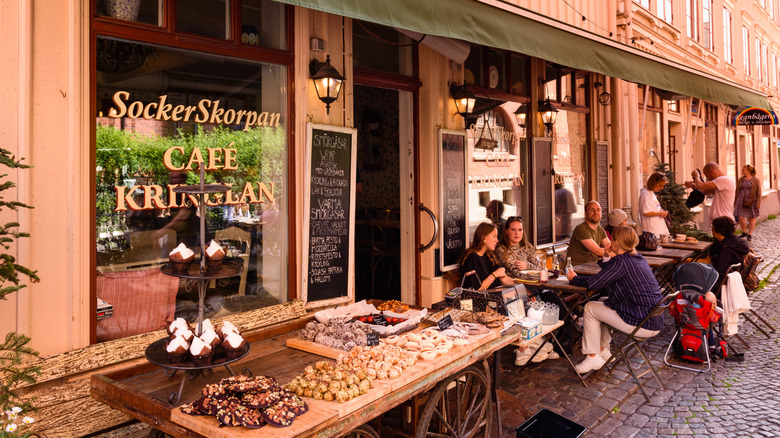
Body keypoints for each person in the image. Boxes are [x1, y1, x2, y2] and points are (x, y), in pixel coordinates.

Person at [565, 225, 664, 373]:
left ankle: (592, 357)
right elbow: (607, 276)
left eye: (612, 239)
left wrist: (574, 278)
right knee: (603, 301)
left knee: (590, 307)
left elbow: (594, 283)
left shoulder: (621, 262)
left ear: (616, 242)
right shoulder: (636, 258)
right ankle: (603, 350)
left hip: (642, 323)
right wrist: (606, 256)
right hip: (652, 319)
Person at [460, 222, 516, 291]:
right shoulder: (471, 258)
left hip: (492, 296)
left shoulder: (489, 255)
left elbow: (504, 278)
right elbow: (477, 290)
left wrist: (523, 290)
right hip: (479, 299)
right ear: (483, 237)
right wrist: (495, 274)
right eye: (494, 237)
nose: (497, 241)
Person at [709, 216, 750, 291]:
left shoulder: (726, 248)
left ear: (718, 229)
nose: (711, 229)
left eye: (712, 227)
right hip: (733, 280)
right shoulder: (736, 241)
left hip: (722, 284)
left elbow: (720, 271)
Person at [567, 201, 612, 265]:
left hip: (590, 267)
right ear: (586, 213)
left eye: (598, 210)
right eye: (591, 210)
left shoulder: (600, 229)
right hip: (577, 269)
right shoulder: (581, 228)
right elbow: (597, 251)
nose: (595, 212)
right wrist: (618, 253)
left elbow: (608, 245)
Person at [734, 164, 761, 241]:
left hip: (752, 200)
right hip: (741, 200)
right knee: (740, 216)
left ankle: (750, 234)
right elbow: (737, 191)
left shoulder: (756, 180)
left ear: (749, 171)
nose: (743, 171)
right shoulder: (741, 179)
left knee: (751, 217)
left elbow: (759, 192)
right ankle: (744, 232)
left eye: (744, 169)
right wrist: (735, 201)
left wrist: (758, 203)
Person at [639, 172, 670, 237]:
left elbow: (653, 210)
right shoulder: (646, 194)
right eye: (660, 185)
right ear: (653, 183)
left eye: (663, 186)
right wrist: (660, 213)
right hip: (652, 232)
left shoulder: (651, 194)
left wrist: (661, 212)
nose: (662, 188)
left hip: (658, 231)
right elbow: (646, 212)